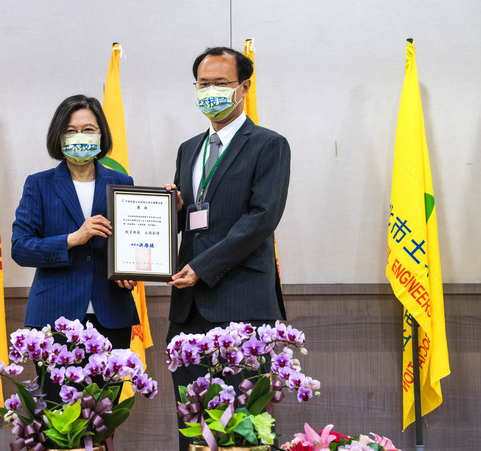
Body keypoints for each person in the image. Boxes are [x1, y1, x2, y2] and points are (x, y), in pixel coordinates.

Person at [165, 47, 290, 450]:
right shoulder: (188, 148)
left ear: (244, 87)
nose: (210, 92)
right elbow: (198, 217)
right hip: (188, 308)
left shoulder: (269, 145)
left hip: (243, 303)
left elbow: (261, 218)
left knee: (244, 426)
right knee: (192, 420)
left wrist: (203, 266)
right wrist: (176, 209)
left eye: (221, 83)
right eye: (203, 84)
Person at [11, 94, 139, 401]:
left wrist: (131, 270)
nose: (79, 136)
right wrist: (72, 238)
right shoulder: (39, 184)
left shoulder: (123, 182)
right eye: (71, 130)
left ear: (101, 135)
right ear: (58, 136)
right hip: (55, 317)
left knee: (104, 413)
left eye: (88, 129)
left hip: (112, 314)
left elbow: (132, 241)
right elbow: (20, 247)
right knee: (57, 416)